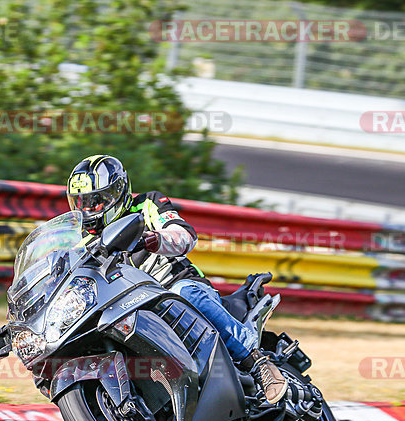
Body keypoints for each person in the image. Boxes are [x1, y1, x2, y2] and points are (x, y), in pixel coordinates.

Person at [66, 154, 288, 404]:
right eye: (82, 202)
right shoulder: (83, 243)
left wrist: (157, 239)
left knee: (183, 295)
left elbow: (185, 234)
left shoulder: (146, 205)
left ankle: (257, 362)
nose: (88, 209)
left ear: (116, 193)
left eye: (95, 200)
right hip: (132, 307)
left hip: (175, 285)